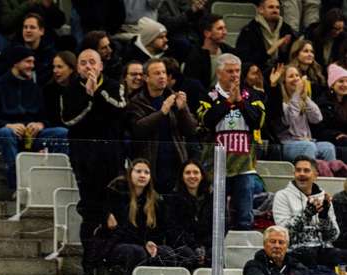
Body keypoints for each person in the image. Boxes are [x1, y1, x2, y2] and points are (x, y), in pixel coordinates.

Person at [60, 48, 126, 275]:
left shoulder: (113, 86)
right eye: (83, 63)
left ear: (101, 66)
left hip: (111, 157)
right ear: (77, 67)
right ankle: (90, 266)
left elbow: (119, 110)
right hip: (84, 160)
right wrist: (88, 97)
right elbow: (69, 120)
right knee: (92, 212)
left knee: (115, 212)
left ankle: (110, 265)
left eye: (92, 62)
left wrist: (97, 93)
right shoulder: (70, 90)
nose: (88, 67)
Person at [0, 47, 63, 191]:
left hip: (31, 136)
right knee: (6, 134)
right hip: (2, 134)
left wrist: (40, 124)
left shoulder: (35, 88)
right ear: (15, 63)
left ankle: (55, 183)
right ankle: (18, 187)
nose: (32, 66)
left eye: (33, 62)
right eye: (28, 62)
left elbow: (45, 118)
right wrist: (8, 125)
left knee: (61, 133)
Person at [197, 53, 265, 231]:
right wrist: (228, 102)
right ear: (219, 73)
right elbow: (207, 121)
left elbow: (257, 121)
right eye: (230, 71)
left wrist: (240, 102)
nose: (235, 75)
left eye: (237, 71)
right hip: (216, 166)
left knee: (244, 216)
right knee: (215, 216)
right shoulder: (208, 95)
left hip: (244, 166)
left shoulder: (252, 95)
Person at [272, 155, 344, 275]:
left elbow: (333, 236)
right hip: (294, 259)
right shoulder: (282, 196)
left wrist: (324, 217)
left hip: (321, 260)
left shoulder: (324, 197)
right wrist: (306, 215)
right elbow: (283, 234)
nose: (301, 174)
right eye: (298, 170)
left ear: (315, 174)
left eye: (306, 170)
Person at [94, 158, 178, 275]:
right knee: (137, 252)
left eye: (146, 172)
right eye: (138, 171)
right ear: (130, 173)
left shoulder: (155, 201)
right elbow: (122, 231)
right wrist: (107, 215)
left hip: (141, 244)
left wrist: (152, 242)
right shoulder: (117, 193)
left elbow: (158, 230)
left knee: (167, 252)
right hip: (115, 244)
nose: (142, 175)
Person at [126, 58, 197, 194]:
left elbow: (191, 130)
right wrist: (162, 112)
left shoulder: (175, 98)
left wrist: (183, 110)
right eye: (157, 73)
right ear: (146, 78)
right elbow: (138, 129)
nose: (162, 76)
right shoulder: (136, 102)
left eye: (164, 72)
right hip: (150, 165)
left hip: (175, 162)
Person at [268, 63, 341, 168]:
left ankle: (328, 176)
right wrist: (297, 94)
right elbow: (289, 120)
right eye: (291, 76)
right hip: (288, 143)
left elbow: (317, 118)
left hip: (307, 141)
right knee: (308, 146)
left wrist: (305, 97)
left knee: (328, 147)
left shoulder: (301, 99)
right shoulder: (280, 103)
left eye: (297, 75)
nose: (295, 79)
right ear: (284, 82)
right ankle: (309, 175)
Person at [165, 159, 214, 268]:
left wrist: (204, 246)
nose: (192, 176)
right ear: (182, 176)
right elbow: (173, 229)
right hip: (182, 245)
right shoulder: (174, 199)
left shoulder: (213, 198)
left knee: (213, 254)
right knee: (187, 255)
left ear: (202, 176)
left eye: (196, 172)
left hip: (207, 245)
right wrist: (195, 247)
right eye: (187, 173)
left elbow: (221, 226)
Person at [0, 12, 55, 83]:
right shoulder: (10, 51)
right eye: (25, 27)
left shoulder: (49, 55)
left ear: (41, 31)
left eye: (32, 27)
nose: (28, 30)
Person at [235, 0, 295, 71]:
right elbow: (245, 60)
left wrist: (284, 50)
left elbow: (293, 56)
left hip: (282, 71)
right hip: (258, 72)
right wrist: (270, 50)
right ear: (260, 10)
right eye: (271, 7)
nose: (275, 10)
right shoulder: (248, 31)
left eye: (277, 7)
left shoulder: (287, 30)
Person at [184, 13, 234, 90]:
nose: (225, 32)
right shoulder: (195, 57)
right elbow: (193, 88)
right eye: (220, 29)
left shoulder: (228, 52)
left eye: (225, 28)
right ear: (207, 33)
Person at [318, 63, 347, 160]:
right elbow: (320, 129)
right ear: (332, 84)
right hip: (331, 140)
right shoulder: (323, 103)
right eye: (341, 81)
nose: (345, 85)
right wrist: (336, 134)